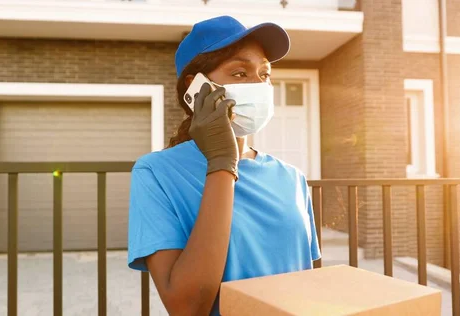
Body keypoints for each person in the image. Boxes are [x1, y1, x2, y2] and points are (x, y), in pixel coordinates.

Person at [127, 15, 320, 315]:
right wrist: (221, 162)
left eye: (265, 74)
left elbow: (309, 284)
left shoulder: (292, 178)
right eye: (240, 73)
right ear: (196, 88)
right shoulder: (155, 174)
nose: (259, 85)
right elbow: (187, 307)